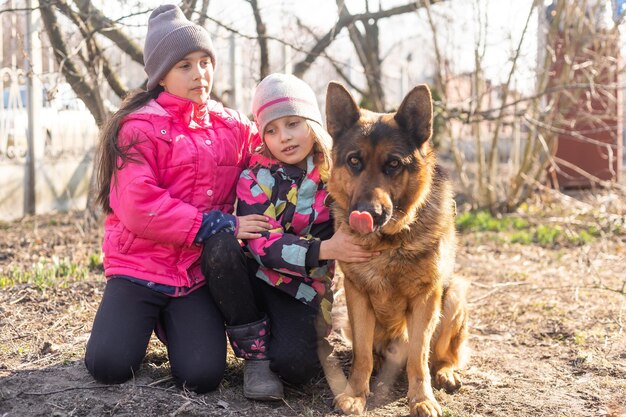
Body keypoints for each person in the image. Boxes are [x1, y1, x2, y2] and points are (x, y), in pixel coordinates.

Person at [84, 4, 270, 394]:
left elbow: (272, 151)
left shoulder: (231, 126)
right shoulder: (138, 127)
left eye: (205, 62)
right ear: (161, 75)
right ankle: (137, 316)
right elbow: (138, 206)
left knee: (201, 376)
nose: (199, 74)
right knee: (109, 365)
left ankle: (172, 321)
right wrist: (215, 224)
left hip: (193, 273)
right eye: (184, 65)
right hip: (139, 266)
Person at [202, 73, 378, 401]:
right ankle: (255, 354)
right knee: (220, 247)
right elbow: (264, 246)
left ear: (312, 122)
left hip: (305, 293)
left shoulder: (336, 176)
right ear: (262, 135)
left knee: (297, 368)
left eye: (293, 123)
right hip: (257, 282)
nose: (284, 137)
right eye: (271, 129)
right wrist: (324, 249)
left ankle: (289, 340)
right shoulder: (254, 178)